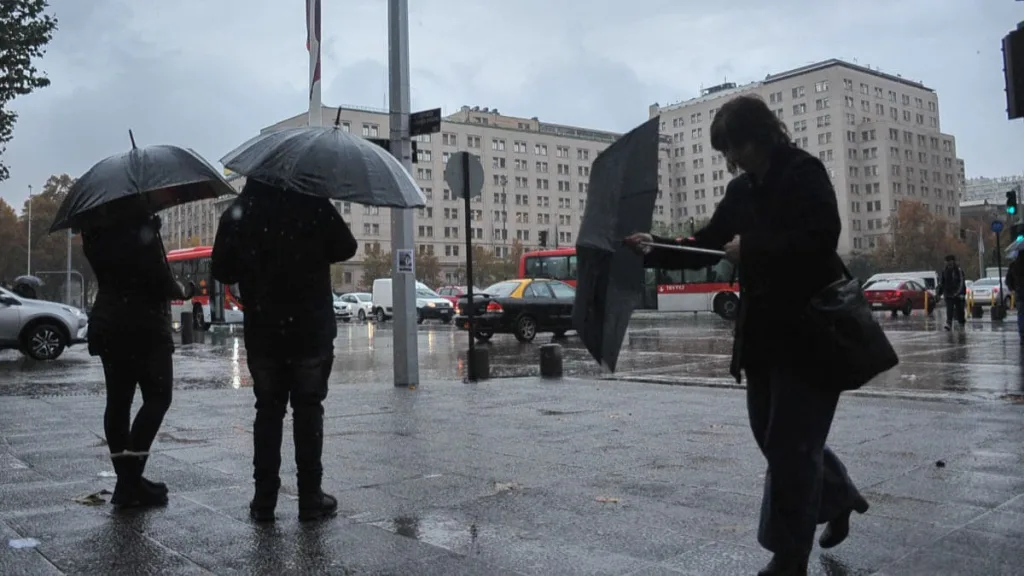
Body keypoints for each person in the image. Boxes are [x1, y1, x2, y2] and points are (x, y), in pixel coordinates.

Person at [626, 95, 867, 576]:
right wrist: (654, 247)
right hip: (763, 335)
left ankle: (789, 557)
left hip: (812, 330)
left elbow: (822, 236)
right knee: (773, 436)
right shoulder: (741, 191)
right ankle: (838, 495)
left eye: (736, 147)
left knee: (790, 447)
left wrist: (753, 248)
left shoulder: (804, 172)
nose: (732, 159)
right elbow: (709, 242)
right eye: (727, 151)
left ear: (762, 136)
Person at [212, 179, 357, 522]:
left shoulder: (240, 211)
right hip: (310, 328)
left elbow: (221, 269)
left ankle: (264, 499)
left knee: (268, 411)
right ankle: (310, 496)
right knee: (308, 410)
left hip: (264, 331)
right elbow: (346, 247)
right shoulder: (311, 202)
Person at [81, 199, 191, 509]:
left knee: (118, 402)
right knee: (158, 396)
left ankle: (129, 482)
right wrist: (181, 289)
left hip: (108, 323)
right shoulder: (139, 232)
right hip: (142, 326)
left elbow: (114, 273)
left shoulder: (95, 232)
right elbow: (158, 280)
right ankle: (129, 482)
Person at [936, 254, 967, 331]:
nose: (947, 264)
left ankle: (961, 322)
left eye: (948, 262)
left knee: (960, 310)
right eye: (946, 262)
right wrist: (939, 294)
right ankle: (949, 323)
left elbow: (961, 283)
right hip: (948, 294)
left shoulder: (958, 271)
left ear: (952, 262)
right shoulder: (944, 271)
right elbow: (942, 283)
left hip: (958, 294)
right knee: (949, 309)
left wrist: (958, 293)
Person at [1006, 255, 1023, 338]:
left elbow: (1008, 280)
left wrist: (1012, 288)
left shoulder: (1014, 265)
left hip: (1019, 291)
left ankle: (1022, 332)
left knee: (1021, 313)